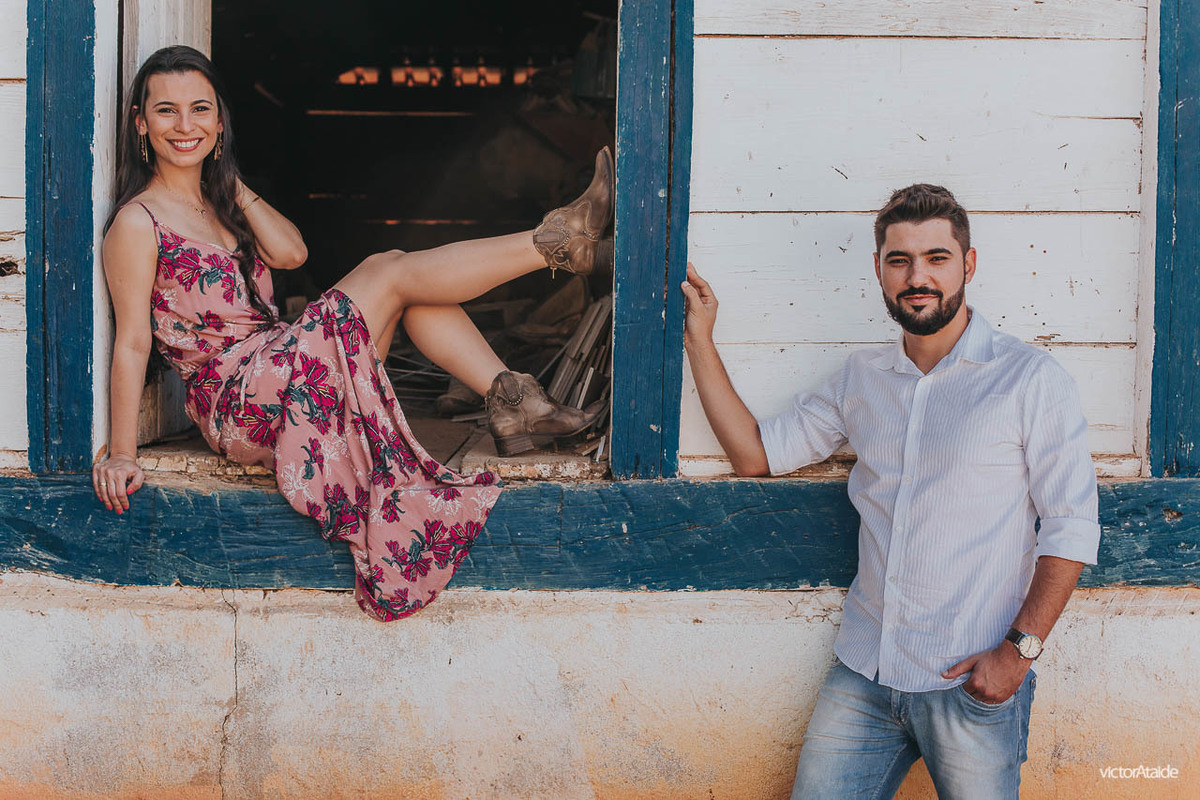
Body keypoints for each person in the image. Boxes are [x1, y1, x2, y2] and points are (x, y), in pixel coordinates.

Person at [91, 45, 612, 621]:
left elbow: (292, 252)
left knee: (411, 288)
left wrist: (226, 182)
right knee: (388, 267)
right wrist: (121, 452)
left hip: (283, 369)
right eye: (166, 111)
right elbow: (134, 340)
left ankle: (511, 399)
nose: (184, 126)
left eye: (200, 110)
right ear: (141, 123)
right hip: (239, 399)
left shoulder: (220, 205)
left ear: (219, 121)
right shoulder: (137, 223)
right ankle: (556, 243)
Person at [681, 184, 1100, 798]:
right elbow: (756, 453)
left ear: (968, 264)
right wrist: (700, 336)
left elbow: (1071, 526)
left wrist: (1017, 655)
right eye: (900, 260)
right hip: (864, 673)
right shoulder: (862, 378)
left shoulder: (1030, 381)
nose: (917, 277)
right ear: (879, 270)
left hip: (971, 679)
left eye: (936, 258)